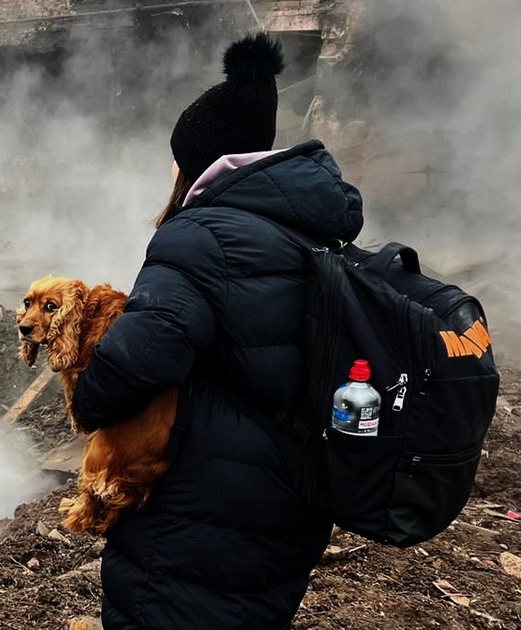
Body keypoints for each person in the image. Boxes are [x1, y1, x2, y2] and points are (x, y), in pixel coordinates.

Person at [73, 32, 363, 628]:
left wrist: (87, 391)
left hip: (202, 514)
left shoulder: (199, 237)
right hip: (292, 502)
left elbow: (131, 365)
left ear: (195, 163)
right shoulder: (311, 229)